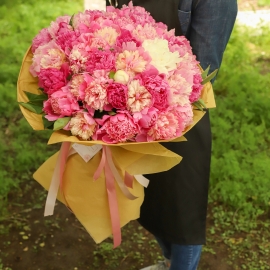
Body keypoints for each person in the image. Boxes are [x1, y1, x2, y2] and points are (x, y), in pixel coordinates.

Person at [106, 1, 238, 269]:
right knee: (152, 199)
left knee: (183, 209)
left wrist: (146, 94)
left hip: (181, 111)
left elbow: (201, 71)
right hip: (127, 106)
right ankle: (168, 263)